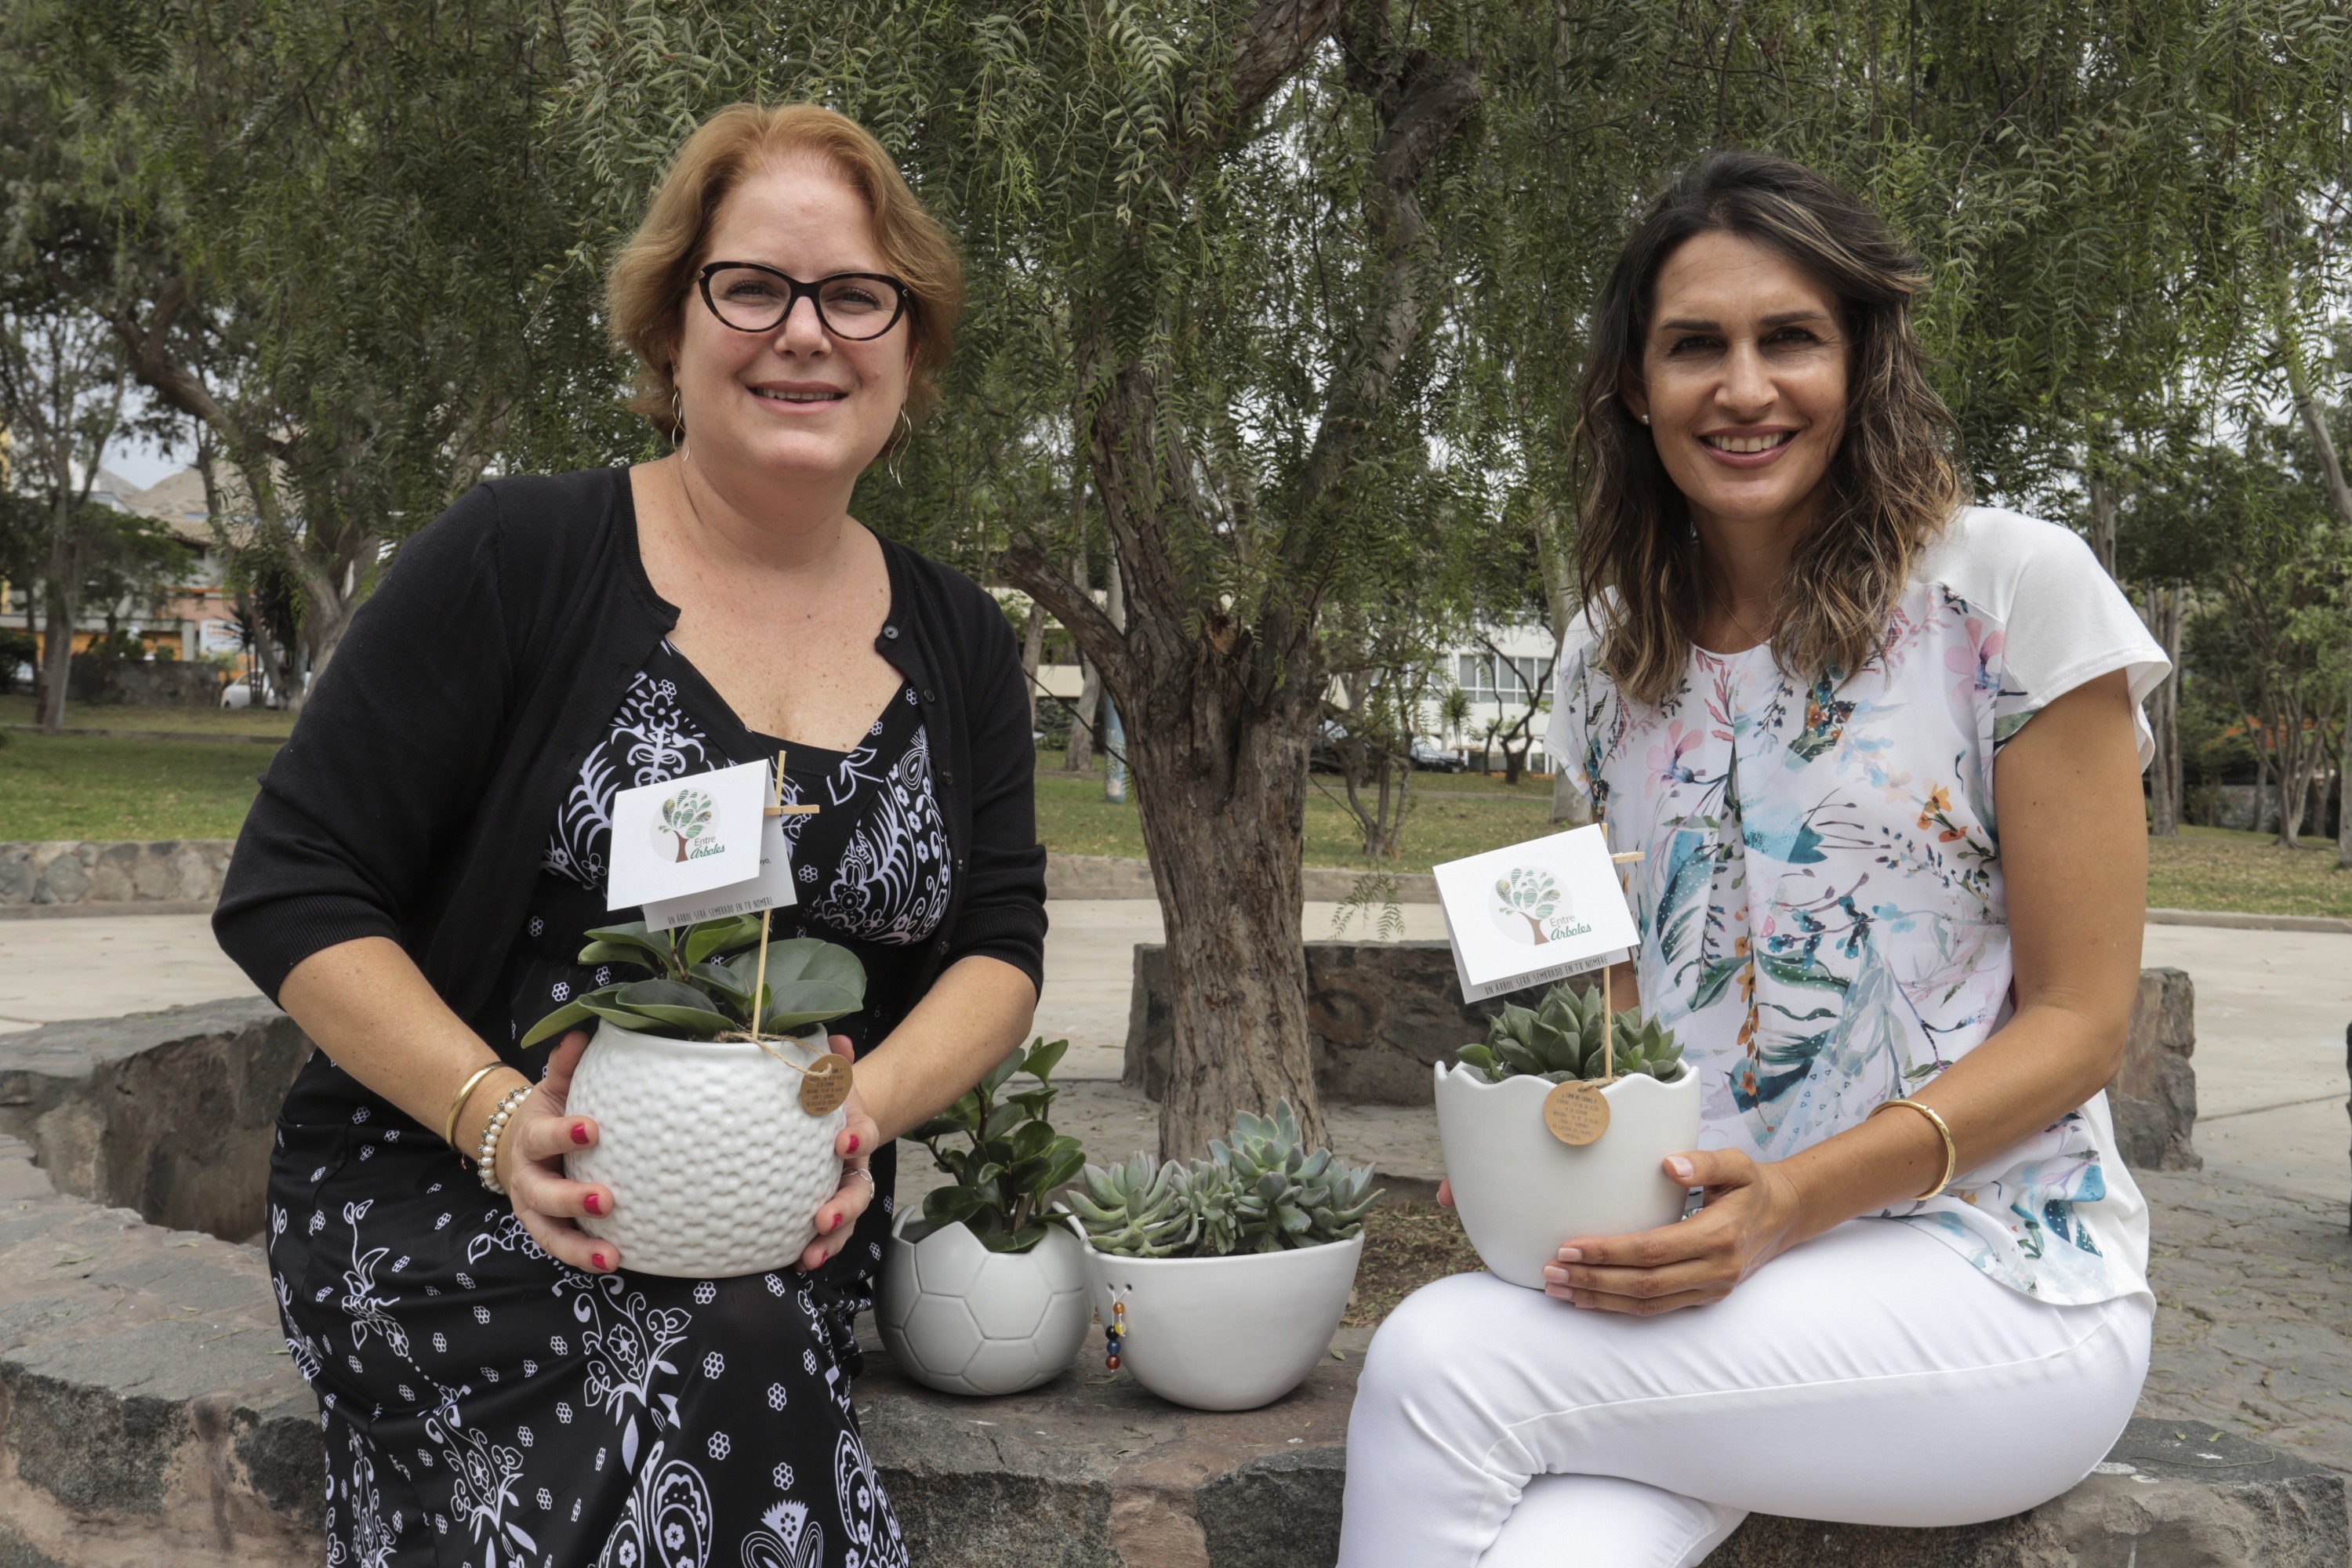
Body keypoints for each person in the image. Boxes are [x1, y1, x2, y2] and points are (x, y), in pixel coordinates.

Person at [216, 103, 1046, 1567]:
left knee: (739, 1321)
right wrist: (497, 1123)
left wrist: (855, 1117)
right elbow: (295, 887)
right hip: (463, 1194)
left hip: (770, 1220)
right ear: (670, 330)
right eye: (753, 287)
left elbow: (1000, 947)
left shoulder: (963, 639)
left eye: (858, 296)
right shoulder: (517, 557)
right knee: (721, 1355)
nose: (806, 333)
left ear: (911, 350)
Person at [1338, 151, 2165, 1566]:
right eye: (1693, 347)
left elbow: (2084, 1021)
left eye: (1789, 338)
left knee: (1440, 1362)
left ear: (1861, 361)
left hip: (2001, 1279)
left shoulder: (2010, 592)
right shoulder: (1606, 655)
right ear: (1634, 386)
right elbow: (1617, 999)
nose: (1743, 388)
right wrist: (1541, 1145)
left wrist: (1790, 1204)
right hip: (1712, 1280)